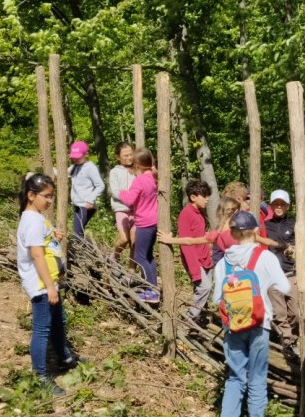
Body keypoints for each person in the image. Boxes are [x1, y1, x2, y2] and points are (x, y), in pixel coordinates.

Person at [212, 211, 290, 417]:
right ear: (256, 231)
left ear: (233, 233)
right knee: (257, 378)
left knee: (235, 378)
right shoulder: (265, 257)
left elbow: (217, 299)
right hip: (259, 323)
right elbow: (285, 287)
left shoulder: (223, 263)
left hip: (233, 326)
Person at [16, 173, 84, 395]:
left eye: (52, 196)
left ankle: (65, 357)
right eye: (46, 196)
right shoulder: (32, 220)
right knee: (42, 329)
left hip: (49, 281)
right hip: (42, 284)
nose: (50, 201)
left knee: (58, 322)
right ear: (31, 195)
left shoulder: (37, 218)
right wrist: (50, 287)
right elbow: (37, 255)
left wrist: (54, 235)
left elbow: (44, 243)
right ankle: (40, 376)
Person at [168, 180, 213, 326]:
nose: (207, 199)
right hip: (194, 260)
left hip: (205, 258)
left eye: (208, 196)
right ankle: (187, 320)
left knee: (203, 290)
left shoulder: (199, 213)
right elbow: (186, 243)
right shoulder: (186, 214)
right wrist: (194, 269)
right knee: (204, 287)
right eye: (204, 196)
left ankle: (200, 322)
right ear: (193, 197)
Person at [119, 148, 159, 303]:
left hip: (144, 222)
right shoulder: (154, 177)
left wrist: (121, 192)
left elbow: (129, 200)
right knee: (148, 256)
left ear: (138, 165)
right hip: (154, 221)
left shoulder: (140, 180)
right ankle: (153, 288)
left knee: (139, 256)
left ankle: (152, 292)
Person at [264, 189, 300, 356]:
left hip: (292, 272)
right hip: (272, 275)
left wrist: (293, 250)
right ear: (271, 206)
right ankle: (288, 343)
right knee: (280, 313)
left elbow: (301, 244)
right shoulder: (265, 225)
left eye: (282, 204)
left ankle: (293, 337)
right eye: (276, 204)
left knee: (296, 313)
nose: (279, 207)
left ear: (287, 206)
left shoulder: (294, 224)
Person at [68, 141, 105, 239]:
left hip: (86, 206)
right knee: (79, 232)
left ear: (86, 154)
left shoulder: (90, 168)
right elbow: (60, 173)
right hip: (77, 205)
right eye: (74, 157)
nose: (76, 159)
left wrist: (90, 199)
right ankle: (87, 249)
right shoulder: (74, 167)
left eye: (78, 157)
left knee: (77, 233)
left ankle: (88, 250)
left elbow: (100, 185)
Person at [109, 142, 136, 262]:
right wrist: (129, 197)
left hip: (137, 210)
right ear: (118, 157)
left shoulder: (137, 169)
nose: (129, 158)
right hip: (121, 209)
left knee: (134, 242)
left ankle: (132, 270)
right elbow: (115, 191)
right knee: (124, 239)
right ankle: (114, 256)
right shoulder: (114, 172)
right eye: (125, 155)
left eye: (131, 154)